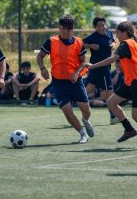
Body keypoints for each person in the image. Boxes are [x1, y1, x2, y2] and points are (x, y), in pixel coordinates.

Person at [85, 21, 137, 149]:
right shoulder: (134, 44)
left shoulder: (126, 44)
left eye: (118, 32)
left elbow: (113, 59)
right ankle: (129, 129)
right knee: (111, 102)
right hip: (133, 82)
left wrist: (94, 65)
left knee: (136, 116)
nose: (116, 35)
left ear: (124, 33)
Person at [36, 14, 94, 144]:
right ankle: (82, 133)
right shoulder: (51, 41)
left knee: (86, 109)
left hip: (76, 80)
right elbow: (40, 56)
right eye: (63, 28)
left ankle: (85, 120)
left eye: (69, 29)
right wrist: (43, 69)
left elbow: (83, 61)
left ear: (72, 29)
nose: (66, 31)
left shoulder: (79, 42)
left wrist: (76, 72)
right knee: (67, 110)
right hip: (58, 82)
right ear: (59, 28)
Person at [83, 17, 116, 124]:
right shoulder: (93, 37)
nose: (101, 27)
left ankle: (77, 102)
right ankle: (113, 117)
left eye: (103, 25)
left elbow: (113, 41)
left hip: (102, 68)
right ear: (95, 27)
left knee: (87, 91)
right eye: (98, 26)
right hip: (100, 69)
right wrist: (90, 46)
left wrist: (113, 44)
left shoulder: (109, 33)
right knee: (109, 94)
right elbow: (80, 44)